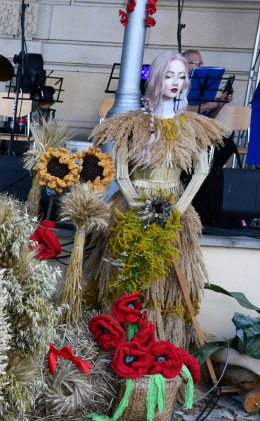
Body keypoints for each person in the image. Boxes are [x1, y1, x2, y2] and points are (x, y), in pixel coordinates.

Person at [86, 51, 228, 349]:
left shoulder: (193, 126)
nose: (175, 82)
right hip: (133, 204)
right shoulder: (133, 124)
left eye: (181, 76)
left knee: (167, 277)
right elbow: (122, 173)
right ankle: (120, 340)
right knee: (124, 267)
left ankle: (162, 342)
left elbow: (201, 171)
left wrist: (176, 208)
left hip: (175, 202)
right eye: (168, 75)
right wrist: (138, 205)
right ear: (156, 79)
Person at [183, 50, 232, 119]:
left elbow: (208, 119)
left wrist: (221, 103)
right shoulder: (177, 83)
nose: (201, 66)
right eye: (198, 63)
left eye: (202, 63)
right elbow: (179, 110)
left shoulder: (205, 84)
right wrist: (206, 106)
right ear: (185, 64)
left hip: (199, 127)